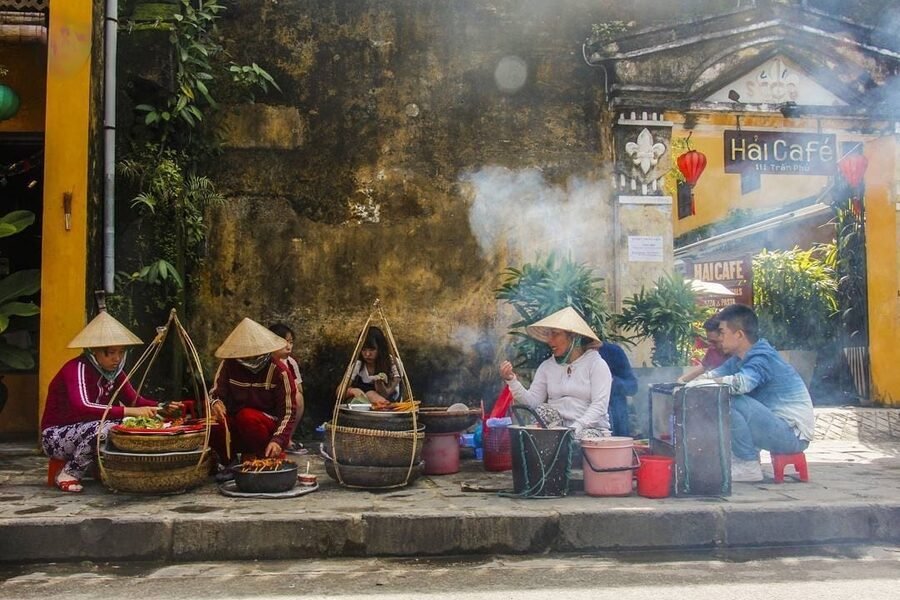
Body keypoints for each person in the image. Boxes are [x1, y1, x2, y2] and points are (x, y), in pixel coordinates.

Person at [685, 304, 814, 482]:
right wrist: (686, 384)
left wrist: (703, 384)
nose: (719, 338)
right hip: (775, 428)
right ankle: (741, 459)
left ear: (739, 334)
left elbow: (741, 384)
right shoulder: (739, 358)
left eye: (722, 332)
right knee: (719, 393)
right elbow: (713, 375)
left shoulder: (762, 356)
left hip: (791, 435)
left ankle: (747, 464)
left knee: (727, 399)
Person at [41, 311, 159, 493]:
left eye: (121, 352)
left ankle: (107, 471)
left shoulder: (115, 372)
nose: (117, 358)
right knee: (106, 428)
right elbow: (82, 405)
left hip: (89, 429)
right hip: (56, 436)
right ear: (94, 352)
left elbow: (135, 400)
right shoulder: (76, 368)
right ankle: (69, 473)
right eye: (111, 353)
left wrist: (162, 408)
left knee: (128, 425)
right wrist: (129, 412)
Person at [499, 306, 612, 439]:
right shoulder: (547, 366)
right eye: (548, 335)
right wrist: (512, 380)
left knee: (583, 437)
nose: (550, 341)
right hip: (557, 430)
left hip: (589, 429)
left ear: (574, 336)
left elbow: (599, 406)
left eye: (556, 334)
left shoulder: (596, 365)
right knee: (542, 411)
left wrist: (575, 428)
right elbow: (533, 402)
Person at [208, 318, 299, 469]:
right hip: (236, 424)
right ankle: (228, 462)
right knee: (213, 421)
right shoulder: (229, 364)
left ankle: (266, 459)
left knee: (247, 416)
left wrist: (278, 440)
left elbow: (288, 412)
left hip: (265, 427)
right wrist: (215, 403)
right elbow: (215, 394)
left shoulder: (279, 371)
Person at [342, 326, 402, 407]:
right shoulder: (358, 365)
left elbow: (386, 394)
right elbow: (340, 391)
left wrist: (379, 383)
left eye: (372, 349)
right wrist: (353, 391)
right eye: (364, 349)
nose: (367, 354)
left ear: (380, 349)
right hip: (363, 404)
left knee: (371, 394)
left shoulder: (393, 364)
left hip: (388, 404)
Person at [269, 322, 305, 452]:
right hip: (267, 401)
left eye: (291, 342)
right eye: (285, 342)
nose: (289, 347)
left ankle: (287, 438)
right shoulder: (265, 361)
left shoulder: (291, 363)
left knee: (298, 398)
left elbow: (299, 388)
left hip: (285, 401)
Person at [596, 341, 638, 437]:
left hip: (616, 422)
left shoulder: (613, 351)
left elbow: (633, 386)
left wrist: (612, 381)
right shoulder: (564, 356)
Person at [678, 315, 728, 384]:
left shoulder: (740, 353)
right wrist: (682, 380)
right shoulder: (713, 350)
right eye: (710, 341)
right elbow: (703, 367)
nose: (711, 346)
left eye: (715, 342)